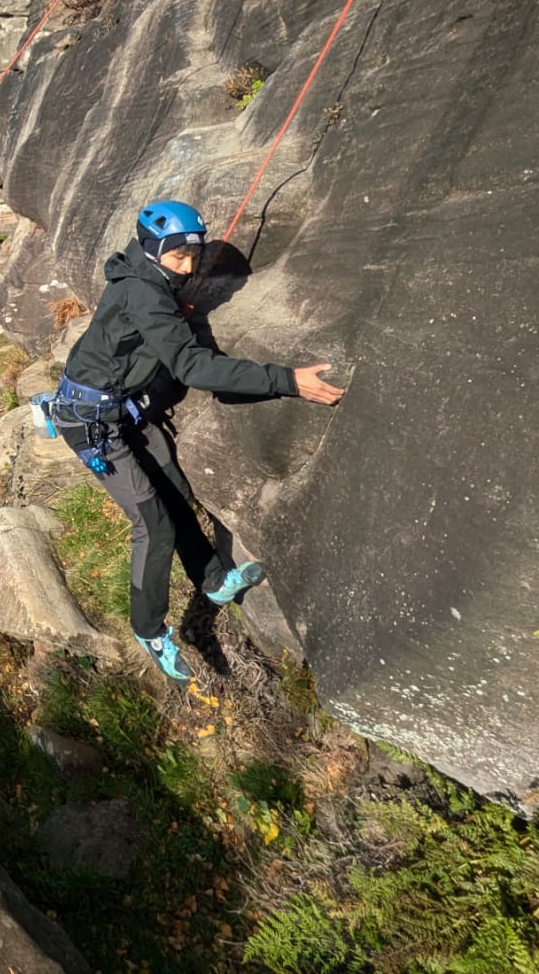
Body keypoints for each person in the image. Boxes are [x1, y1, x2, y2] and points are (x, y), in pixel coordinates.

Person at [52, 201, 344, 685]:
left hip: (123, 409)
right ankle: (149, 629)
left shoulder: (149, 282)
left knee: (174, 493)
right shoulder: (143, 294)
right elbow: (192, 366)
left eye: (193, 255)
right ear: (152, 251)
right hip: (92, 426)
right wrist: (285, 380)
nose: (188, 267)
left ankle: (212, 581)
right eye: (178, 257)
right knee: (154, 524)